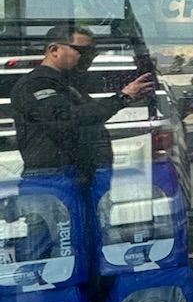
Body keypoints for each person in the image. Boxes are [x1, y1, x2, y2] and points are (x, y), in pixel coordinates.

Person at [12, 23, 153, 184]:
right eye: (83, 51)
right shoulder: (35, 84)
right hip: (51, 181)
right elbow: (68, 119)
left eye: (94, 52)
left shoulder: (69, 85)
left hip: (81, 178)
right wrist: (123, 98)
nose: (90, 57)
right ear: (54, 50)